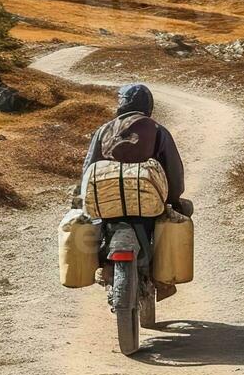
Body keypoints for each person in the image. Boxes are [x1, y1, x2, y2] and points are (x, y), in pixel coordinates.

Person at [78, 83, 187, 297]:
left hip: (106, 203)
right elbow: (173, 169)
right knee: (166, 222)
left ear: (121, 103)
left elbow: (89, 167)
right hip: (147, 205)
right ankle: (162, 278)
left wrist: (81, 198)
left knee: (94, 220)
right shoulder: (157, 130)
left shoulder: (104, 130)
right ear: (148, 105)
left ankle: (102, 264)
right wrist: (175, 198)